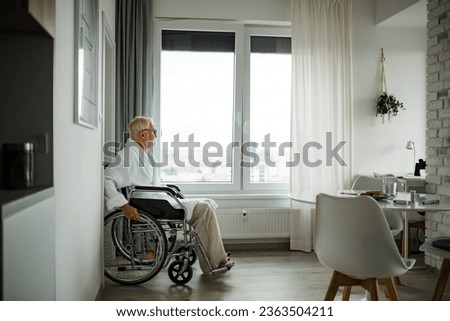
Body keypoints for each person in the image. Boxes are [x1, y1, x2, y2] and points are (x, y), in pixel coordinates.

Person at [104, 116, 234, 273]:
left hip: (155, 200)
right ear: (143, 134)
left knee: (207, 205)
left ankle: (215, 257)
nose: (157, 135)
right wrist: (123, 205)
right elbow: (107, 179)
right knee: (204, 209)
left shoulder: (142, 153)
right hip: (149, 203)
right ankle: (215, 263)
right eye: (154, 131)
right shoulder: (128, 155)